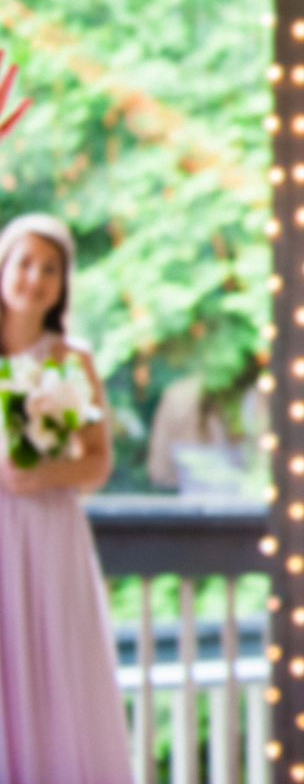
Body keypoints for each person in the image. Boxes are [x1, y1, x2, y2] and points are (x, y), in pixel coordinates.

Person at [0, 213, 130, 783]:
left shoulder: (72, 360)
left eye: (50, 268)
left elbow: (98, 461)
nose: (36, 278)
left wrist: (41, 475)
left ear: (63, 284)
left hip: (51, 532)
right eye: (25, 262)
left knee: (58, 661)